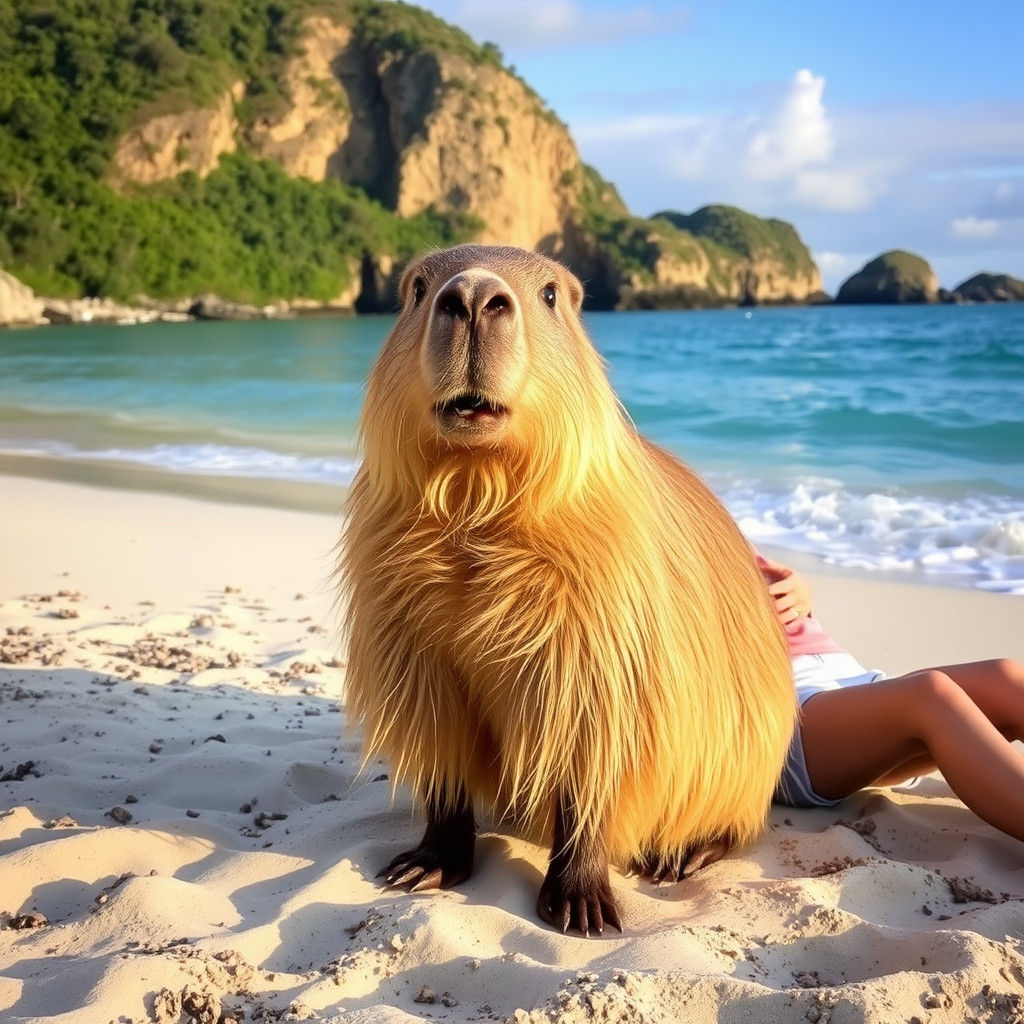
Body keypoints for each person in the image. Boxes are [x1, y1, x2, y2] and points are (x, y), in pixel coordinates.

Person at [758, 554, 1024, 842]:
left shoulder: (723, 527)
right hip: (790, 709)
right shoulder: (701, 535)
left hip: (849, 684)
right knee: (930, 695)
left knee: (1006, 677)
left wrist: (800, 589)